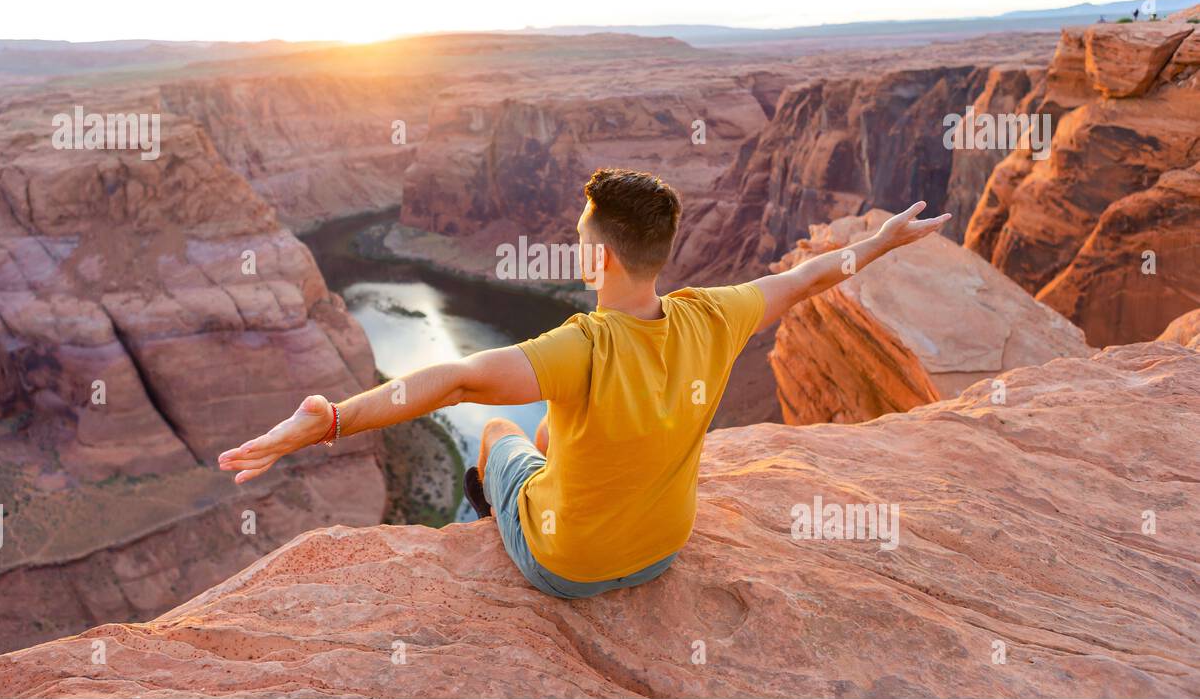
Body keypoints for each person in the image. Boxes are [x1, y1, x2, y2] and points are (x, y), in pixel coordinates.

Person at [218, 168, 951, 599]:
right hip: (664, 549)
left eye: (578, 238)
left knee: (503, 434)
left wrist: (332, 420)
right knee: (547, 433)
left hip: (567, 568)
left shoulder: (581, 347)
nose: (573, 246)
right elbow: (806, 278)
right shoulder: (716, 316)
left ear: (597, 260)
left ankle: (482, 537)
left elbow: (454, 385)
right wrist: (881, 241)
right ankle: (536, 494)